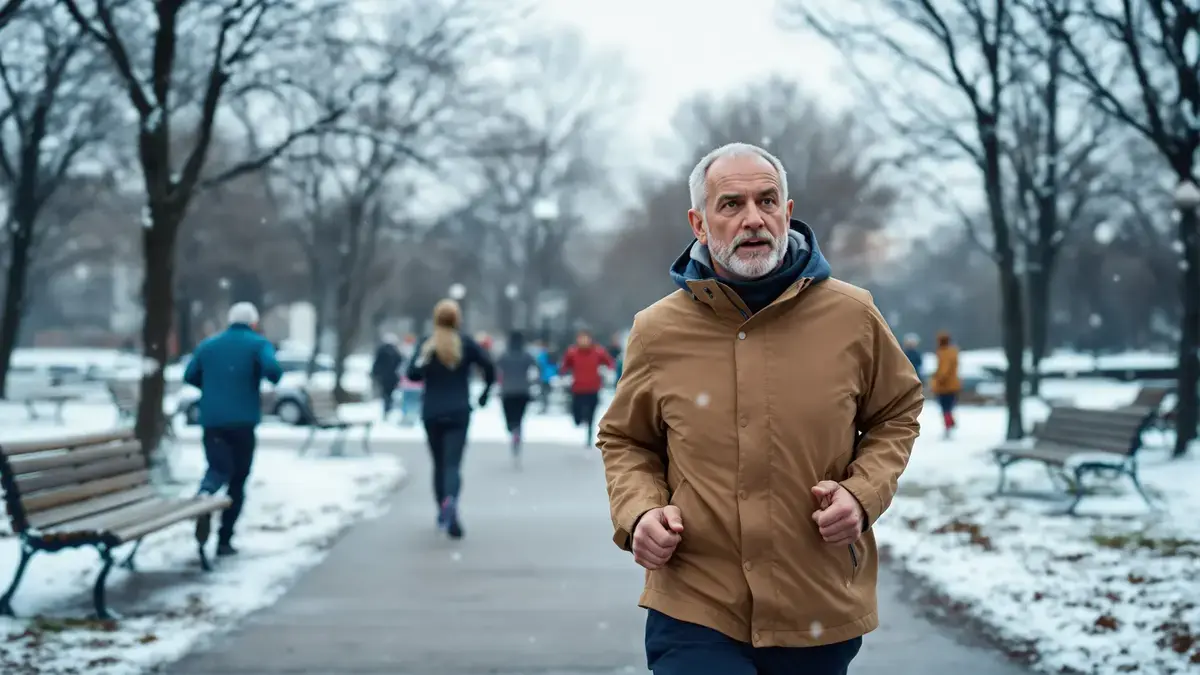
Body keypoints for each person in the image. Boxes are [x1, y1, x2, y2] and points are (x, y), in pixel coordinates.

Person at [596, 142, 924, 675]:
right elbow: (626, 439)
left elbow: (897, 409)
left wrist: (862, 494)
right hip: (695, 602)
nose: (753, 219)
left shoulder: (852, 314)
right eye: (731, 205)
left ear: (787, 213)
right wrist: (638, 513)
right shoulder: (657, 330)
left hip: (814, 599)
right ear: (699, 223)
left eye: (767, 201)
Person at [184, 302, 283, 557]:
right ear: (253, 322)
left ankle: (205, 493)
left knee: (218, 467)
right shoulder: (257, 344)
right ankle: (224, 540)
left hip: (212, 421)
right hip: (243, 422)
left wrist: (214, 388)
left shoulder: (209, 345)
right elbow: (274, 372)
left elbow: (190, 375)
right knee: (238, 480)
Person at [406, 299, 495, 539]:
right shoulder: (466, 344)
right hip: (458, 412)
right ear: (458, 320)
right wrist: (485, 394)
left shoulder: (427, 345)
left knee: (438, 464)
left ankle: (442, 511)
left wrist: (424, 364)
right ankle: (451, 503)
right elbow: (490, 367)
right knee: (453, 465)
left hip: (432, 412)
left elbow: (411, 375)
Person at [560, 329, 615, 447]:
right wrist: (564, 374)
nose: (583, 341)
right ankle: (580, 419)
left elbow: (610, 363)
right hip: (578, 388)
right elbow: (564, 366)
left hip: (593, 387)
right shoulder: (572, 352)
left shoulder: (598, 352)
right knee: (577, 415)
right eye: (581, 338)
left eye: (586, 338)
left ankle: (589, 433)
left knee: (591, 412)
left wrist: (606, 371)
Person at [496, 330, 538, 467]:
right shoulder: (526, 355)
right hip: (523, 391)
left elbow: (496, 368)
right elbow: (536, 369)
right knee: (519, 417)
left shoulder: (504, 356)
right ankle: (517, 432)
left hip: (507, 391)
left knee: (509, 417)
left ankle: (512, 429)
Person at [930, 331, 962, 439]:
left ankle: (948, 426)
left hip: (945, 386)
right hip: (953, 384)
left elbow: (944, 369)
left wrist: (938, 379)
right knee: (949, 407)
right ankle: (950, 423)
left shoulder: (943, 353)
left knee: (945, 408)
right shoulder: (954, 351)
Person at [371, 333, 404, 421]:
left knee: (386, 394)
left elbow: (376, 363)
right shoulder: (396, 351)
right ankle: (389, 408)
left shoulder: (381, 350)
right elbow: (400, 362)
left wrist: (374, 374)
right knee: (390, 394)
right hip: (393, 377)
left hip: (383, 377)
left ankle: (387, 409)